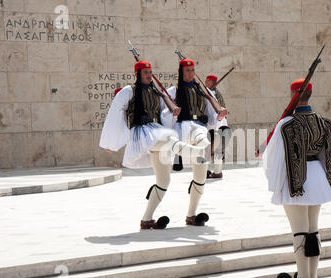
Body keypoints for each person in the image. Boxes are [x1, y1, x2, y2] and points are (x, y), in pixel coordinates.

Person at [99, 60, 207, 230]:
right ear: (138, 74)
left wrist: (173, 111)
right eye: (146, 73)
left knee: (164, 180)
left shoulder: (157, 92)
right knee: (170, 141)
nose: (149, 75)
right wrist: (111, 142)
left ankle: (148, 219)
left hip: (157, 131)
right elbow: (115, 113)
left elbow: (165, 114)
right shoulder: (129, 91)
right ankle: (197, 151)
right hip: (143, 134)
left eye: (150, 72)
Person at [262, 78, 331, 278]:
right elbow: (329, 154)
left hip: (295, 180)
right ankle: (312, 277)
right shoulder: (323, 122)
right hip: (317, 178)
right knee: (313, 231)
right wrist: (329, 180)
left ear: (292, 94)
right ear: (310, 94)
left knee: (299, 232)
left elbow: (274, 157)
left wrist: (275, 182)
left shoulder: (286, 124)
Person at [164, 58, 228, 226]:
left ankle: (191, 215)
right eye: (187, 70)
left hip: (199, 126)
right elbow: (164, 114)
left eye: (193, 70)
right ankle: (196, 152)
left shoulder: (203, 91)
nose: (191, 73)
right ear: (181, 72)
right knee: (201, 142)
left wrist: (219, 116)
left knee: (200, 177)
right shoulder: (174, 91)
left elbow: (212, 113)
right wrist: (173, 111)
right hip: (182, 128)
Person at [204, 74, 232, 179]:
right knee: (206, 147)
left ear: (213, 82)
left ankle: (217, 171)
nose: (206, 82)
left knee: (218, 149)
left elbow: (222, 109)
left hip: (218, 123)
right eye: (206, 80)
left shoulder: (217, 94)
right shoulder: (205, 91)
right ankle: (205, 170)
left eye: (208, 81)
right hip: (208, 123)